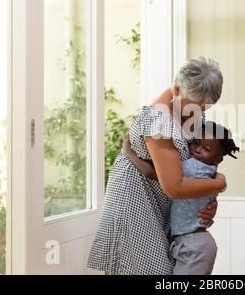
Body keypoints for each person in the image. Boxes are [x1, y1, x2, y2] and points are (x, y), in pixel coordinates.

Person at [87, 57, 227, 275]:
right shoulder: (158, 120)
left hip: (163, 205)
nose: (197, 113)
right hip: (136, 201)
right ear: (177, 88)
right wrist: (219, 184)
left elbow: (197, 163)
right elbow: (174, 186)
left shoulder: (191, 107)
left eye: (204, 108)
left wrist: (210, 201)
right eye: (195, 106)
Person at [126, 121, 240, 275]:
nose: (197, 150)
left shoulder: (194, 167)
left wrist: (129, 152)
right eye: (196, 143)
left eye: (206, 149)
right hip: (193, 243)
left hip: (193, 245)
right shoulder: (210, 172)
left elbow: (153, 173)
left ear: (218, 159)